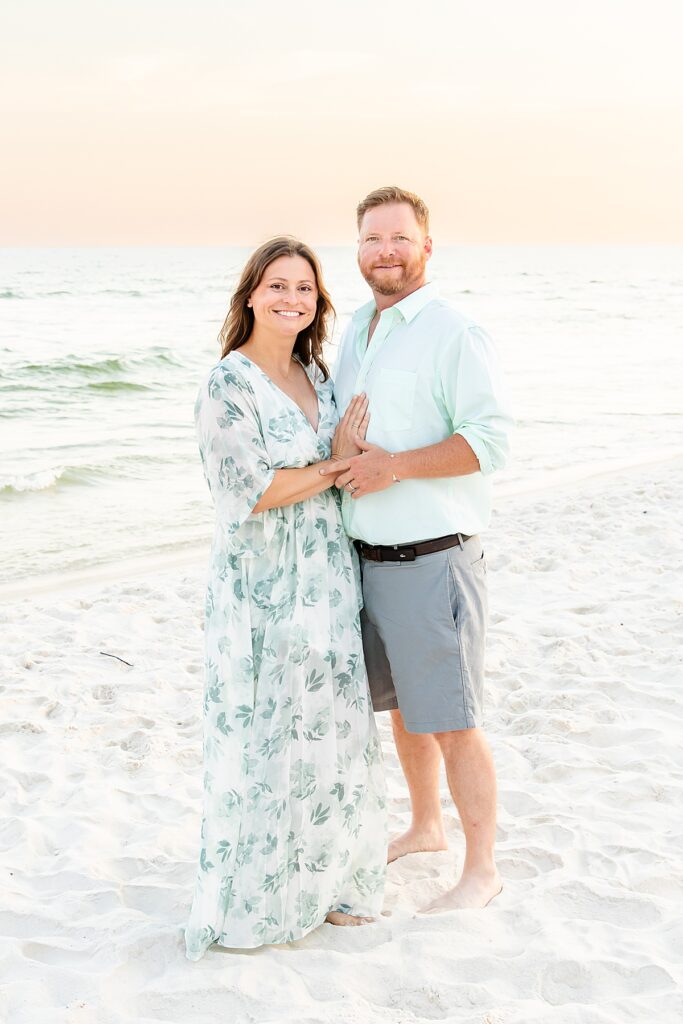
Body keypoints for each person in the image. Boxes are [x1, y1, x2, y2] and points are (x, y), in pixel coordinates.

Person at [184, 236, 386, 959]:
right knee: (268, 727)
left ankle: (327, 880)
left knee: (328, 726)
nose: (290, 299)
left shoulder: (313, 372)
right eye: (276, 286)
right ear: (249, 297)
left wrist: (345, 457)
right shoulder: (227, 383)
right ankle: (264, 891)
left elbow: (335, 455)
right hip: (262, 582)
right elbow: (252, 490)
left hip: (327, 570)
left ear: (316, 304)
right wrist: (333, 466)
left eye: (304, 288)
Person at [322, 186, 513, 912]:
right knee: (404, 710)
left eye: (399, 238)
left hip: (432, 561)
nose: (385, 251)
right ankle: (425, 826)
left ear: (426, 246)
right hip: (365, 561)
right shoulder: (358, 333)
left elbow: (490, 441)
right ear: (359, 251)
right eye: (372, 239)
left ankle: (481, 870)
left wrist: (391, 466)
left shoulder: (452, 331)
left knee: (453, 719)